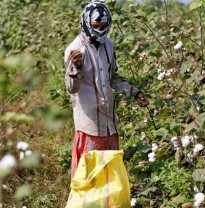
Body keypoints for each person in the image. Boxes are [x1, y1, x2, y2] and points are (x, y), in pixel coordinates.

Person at [64, 0, 149, 177]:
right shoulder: (75, 49)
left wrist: (135, 92)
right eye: (96, 25)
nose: (100, 30)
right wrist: (76, 67)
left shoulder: (108, 45)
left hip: (109, 124)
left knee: (109, 177)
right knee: (89, 176)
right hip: (89, 126)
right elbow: (72, 89)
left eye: (104, 25)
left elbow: (113, 78)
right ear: (86, 23)